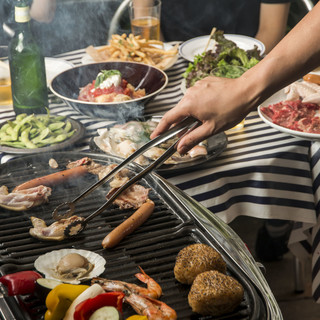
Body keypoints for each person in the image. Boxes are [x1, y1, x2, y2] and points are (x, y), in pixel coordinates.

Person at [133, 0, 291, 54]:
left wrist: (239, 66)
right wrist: (162, 59)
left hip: (246, 61)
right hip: (172, 62)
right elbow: (143, 18)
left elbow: (272, 31)